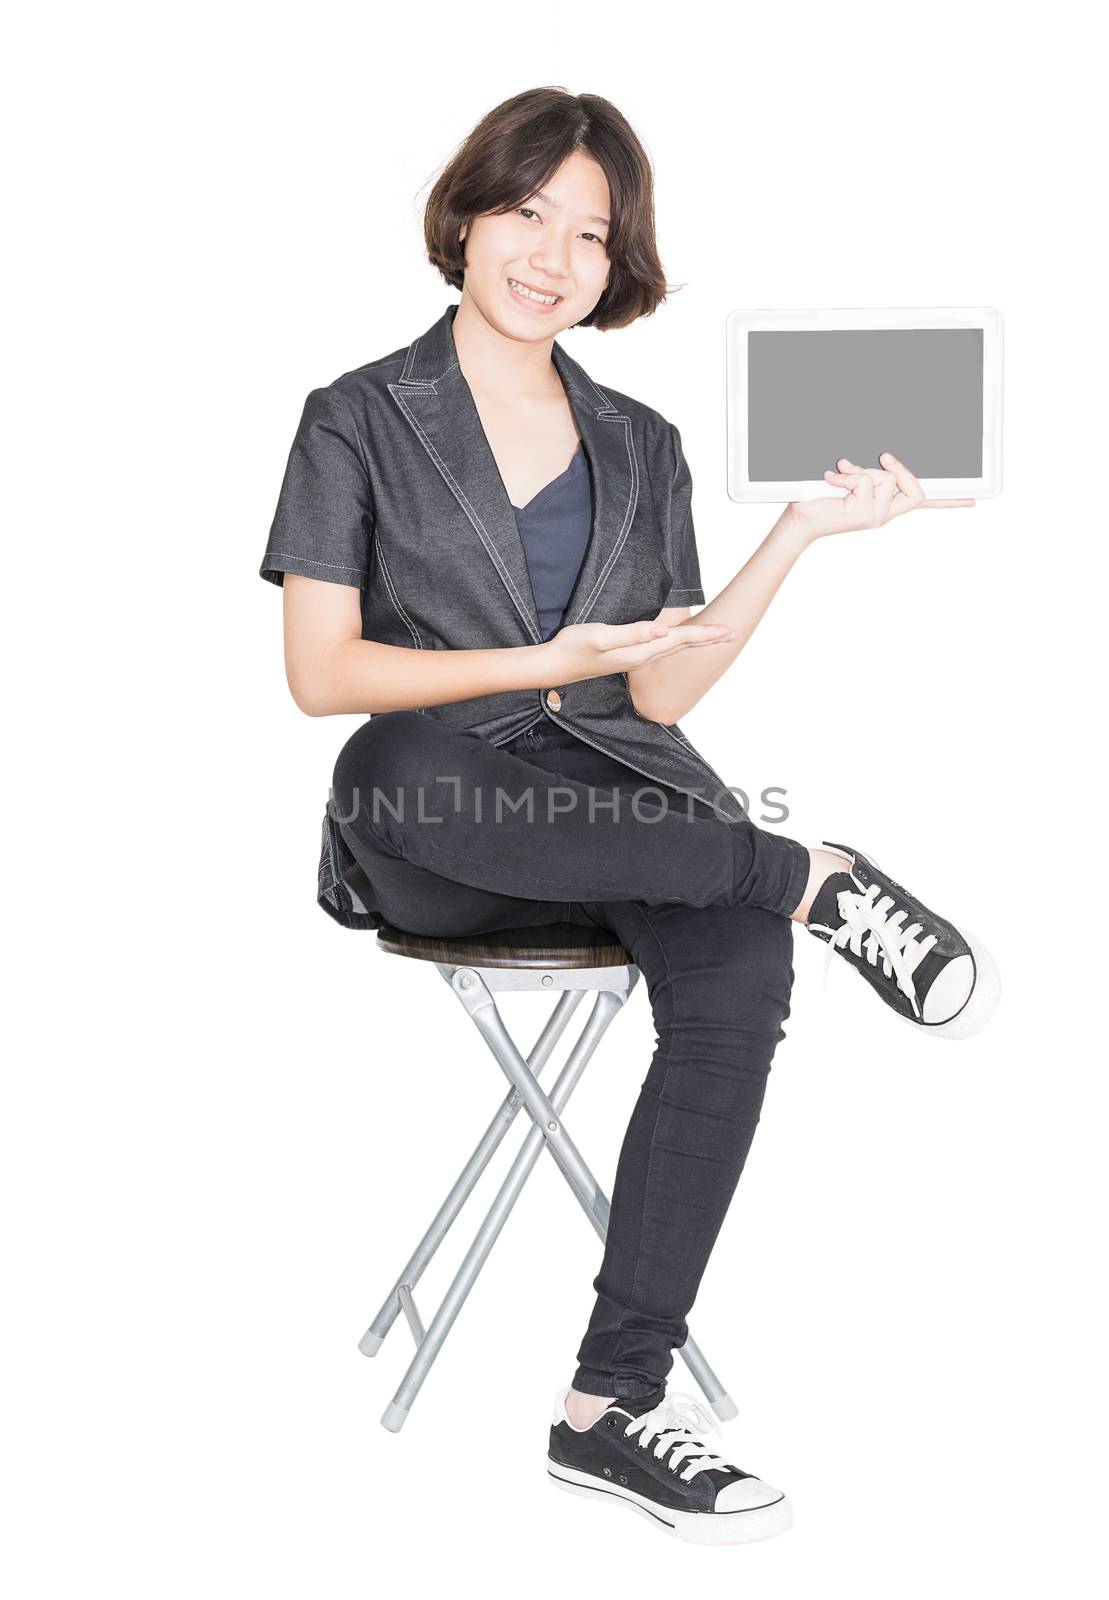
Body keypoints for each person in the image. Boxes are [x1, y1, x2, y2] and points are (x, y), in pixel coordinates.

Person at [259, 87, 1001, 1546]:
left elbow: (655, 702)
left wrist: (794, 537)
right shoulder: (355, 416)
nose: (554, 253)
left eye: (591, 232)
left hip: (626, 804)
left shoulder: (641, 440)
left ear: (619, 264)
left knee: (736, 964)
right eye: (528, 211)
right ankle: (804, 871)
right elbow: (318, 675)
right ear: (466, 218)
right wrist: (542, 662)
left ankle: (610, 1413)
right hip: (444, 822)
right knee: (399, 772)